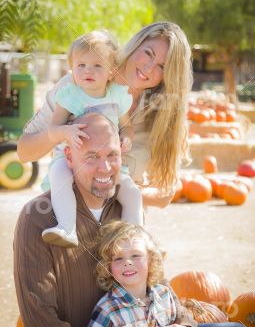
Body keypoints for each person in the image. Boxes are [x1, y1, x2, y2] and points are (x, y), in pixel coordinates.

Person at [3, 114, 255, 327]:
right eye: (92, 156)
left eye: (112, 154)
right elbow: (40, 325)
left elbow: (154, 285)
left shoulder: (127, 207)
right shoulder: (38, 218)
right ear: (69, 158)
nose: (105, 167)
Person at [17, 21, 193, 210]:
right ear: (135, 45)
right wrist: (61, 132)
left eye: (162, 66)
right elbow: (24, 152)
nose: (149, 68)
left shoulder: (161, 114)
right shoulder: (76, 85)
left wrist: (113, 189)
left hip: (121, 226)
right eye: (148, 53)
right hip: (70, 215)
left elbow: (164, 195)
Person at [41, 30, 143, 248]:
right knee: (59, 176)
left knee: (131, 192)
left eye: (97, 65)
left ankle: (134, 236)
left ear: (111, 71)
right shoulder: (70, 96)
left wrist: (126, 138)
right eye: (81, 65)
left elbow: (127, 126)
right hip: (71, 157)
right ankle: (67, 228)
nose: (88, 70)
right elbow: (52, 130)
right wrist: (65, 132)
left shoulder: (116, 95)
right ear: (72, 69)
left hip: (107, 161)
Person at [82, 220, 185, 327]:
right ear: (108, 267)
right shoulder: (109, 309)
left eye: (135, 255)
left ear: (151, 260)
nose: (127, 262)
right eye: (118, 258)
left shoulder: (164, 295)